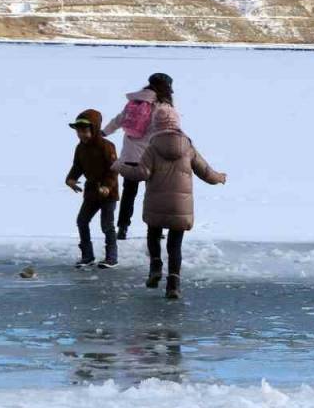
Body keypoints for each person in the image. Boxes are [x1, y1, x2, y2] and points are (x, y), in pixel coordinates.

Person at [114, 108, 226, 300]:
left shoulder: (152, 147)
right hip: (179, 206)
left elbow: (141, 174)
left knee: (153, 234)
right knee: (175, 245)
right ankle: (173, 284)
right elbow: (206, 172)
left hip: (156, 202)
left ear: (156, 125)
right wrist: (219, 177)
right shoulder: (188, 147)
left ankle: (155, 266)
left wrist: (119, 166)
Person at [102, 72, 177, 240]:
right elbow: (167, 129)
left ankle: (122, 228)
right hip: (151, 156)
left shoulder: (135, 101)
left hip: (130, 155)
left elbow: (119, 119)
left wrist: (104, 132)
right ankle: (155, 229)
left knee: (129, 193)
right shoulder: (161, 106)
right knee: (155, 193)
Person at [65, 109, 119, 269]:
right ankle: (87, 256)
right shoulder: (80, 148)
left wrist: (107, 187)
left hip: (108, 193)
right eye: (79, 131)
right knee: (82, 221)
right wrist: (70, 179)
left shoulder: (106, 146)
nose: (81, 134)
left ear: (94, 129)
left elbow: (114, 169)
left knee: (107, 225)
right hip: (91, 192)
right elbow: (77, 166)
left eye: (85, 131)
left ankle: (112, 257)